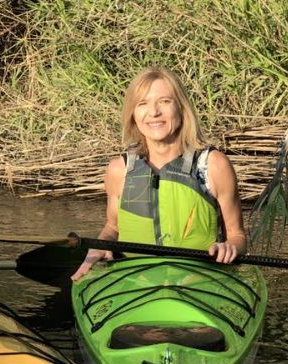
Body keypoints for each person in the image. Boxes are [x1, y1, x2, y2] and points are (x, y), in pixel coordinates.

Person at [71, 67, 246, 281]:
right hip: (134, 281)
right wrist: (99, 246)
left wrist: (230, 247)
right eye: (142, 104)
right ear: (133, 115)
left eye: (164, 101)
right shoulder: (119, 170)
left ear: (181, 108)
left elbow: (237, 235)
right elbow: (112, 227)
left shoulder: (213, 165)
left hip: (201, 280)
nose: (154, 112)